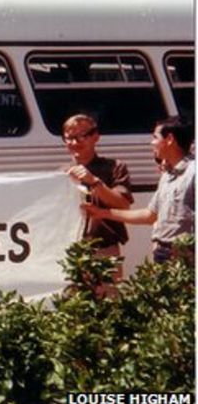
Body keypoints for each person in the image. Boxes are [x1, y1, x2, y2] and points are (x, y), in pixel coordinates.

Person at [83, 116, 194, 263]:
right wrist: (102, 213)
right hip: (163, 253)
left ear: (169, 139)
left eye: (155, 137)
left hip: (186, 256)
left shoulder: (193, 173)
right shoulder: (167, 175)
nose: (152, 143)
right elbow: (150, 215)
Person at [61, 114, 133, 283]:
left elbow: (123, 204)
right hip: (72, 251)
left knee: (109, 303)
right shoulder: (62, 174)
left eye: (82, 136)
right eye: (69, 138)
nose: (75, 143)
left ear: (96, 137)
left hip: (104, 250)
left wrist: (94, 182)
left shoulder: (115, 167)